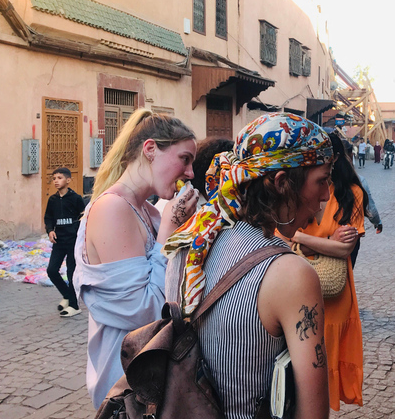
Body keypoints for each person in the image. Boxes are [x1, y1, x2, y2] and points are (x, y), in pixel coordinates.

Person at [164, 113, 332, 419]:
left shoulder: (189, 241)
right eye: (322, 180)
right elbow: (313, 413)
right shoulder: (290, 274)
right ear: (282, 183)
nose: (326, 195)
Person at [73, 109, 200, 408]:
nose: (191, 173)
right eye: (184, 159)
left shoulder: (149, 211)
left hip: (147, 377)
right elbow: (144, 312)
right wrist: (169, 230)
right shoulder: (112, 209)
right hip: (125, 383)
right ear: (151, 149)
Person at [290, 132, 366, 411]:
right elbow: (280, 236)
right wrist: (327, 243)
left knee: (326, 359)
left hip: (334, 294)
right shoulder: (298, 190)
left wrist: (301, 237)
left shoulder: (352, 195)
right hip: (300, 292)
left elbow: (345, 250)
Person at [44, 167, 86, 318]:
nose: (56, 181)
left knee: (71, 272)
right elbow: (48, 217)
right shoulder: (52, 200)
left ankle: (75, 306)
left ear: (68, 180)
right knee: (51, 270)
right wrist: (50, 230)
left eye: (60, 178)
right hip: (59, 241)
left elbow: (84, 218)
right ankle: (67, 295)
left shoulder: (76, 199)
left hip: (73, 241)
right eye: (54, 178)